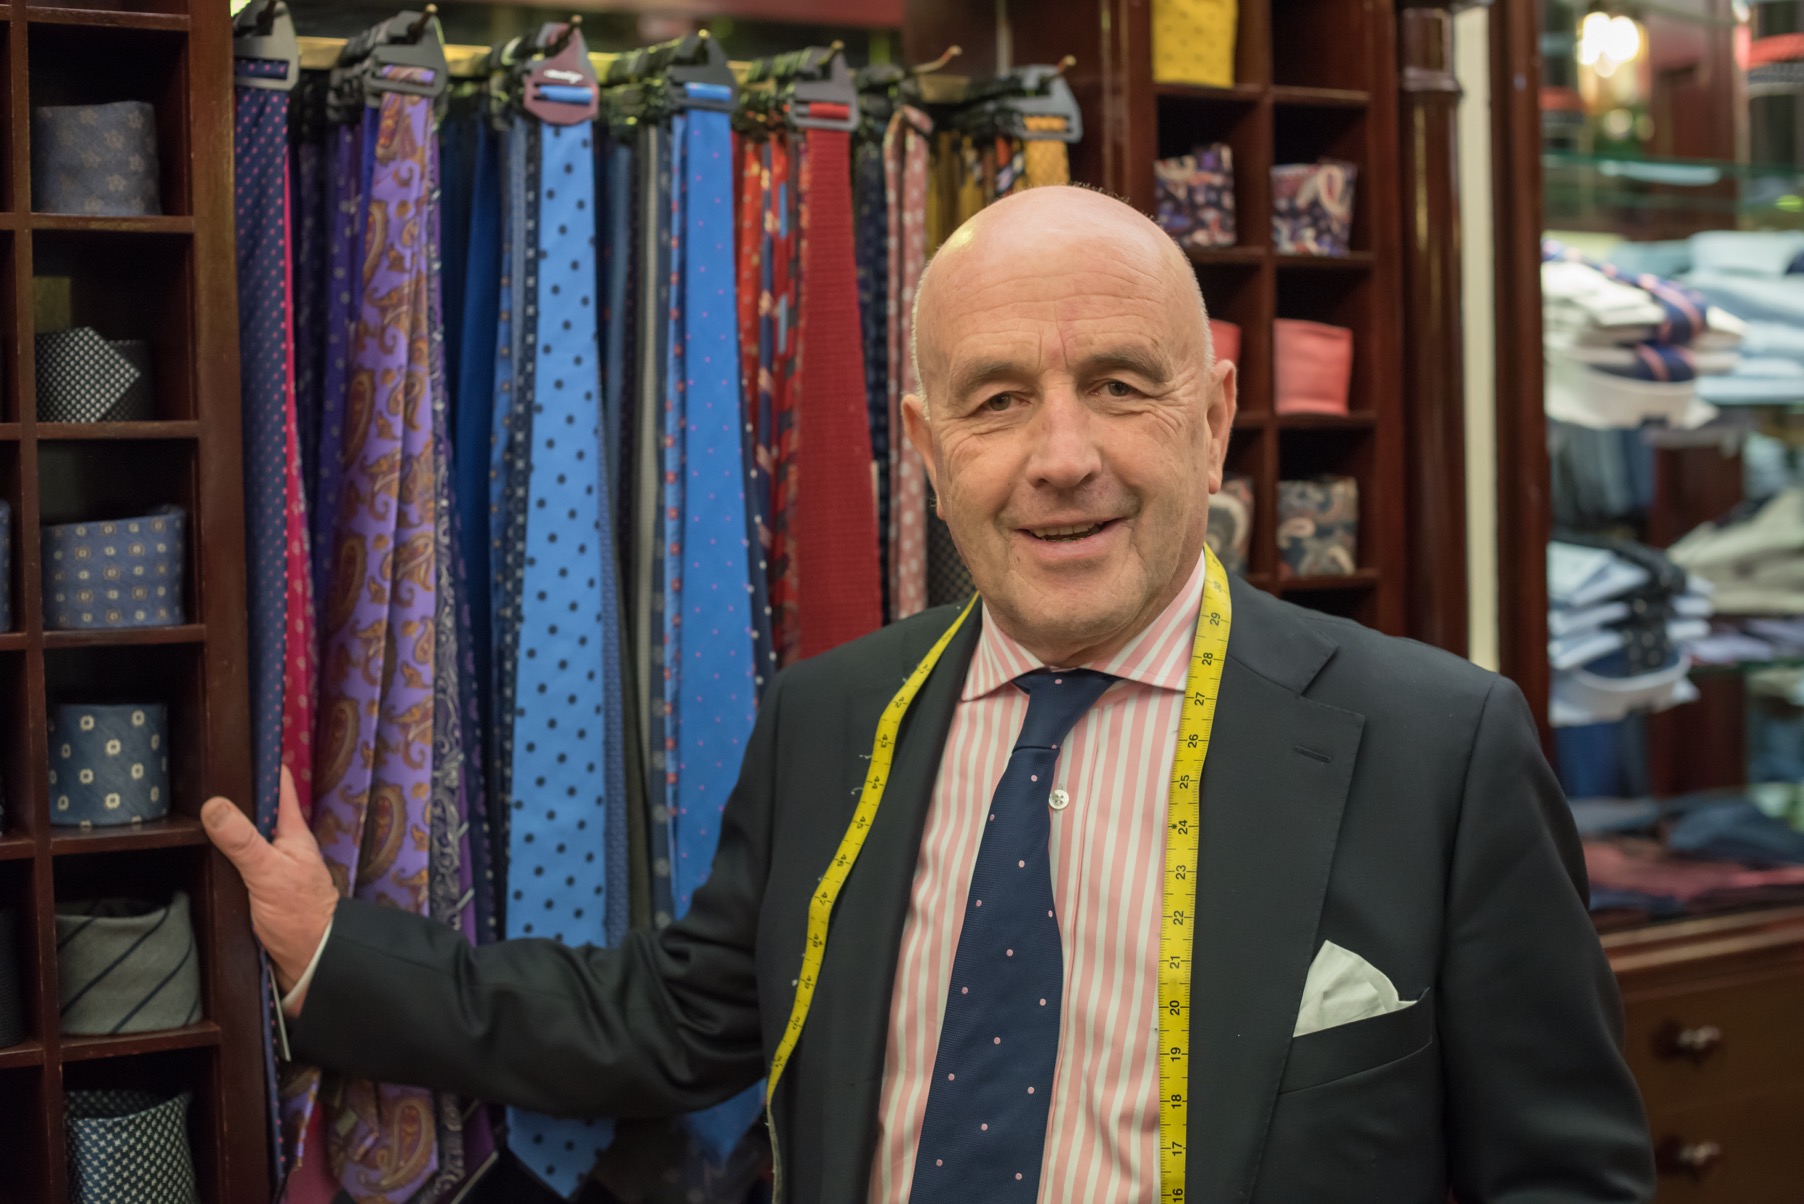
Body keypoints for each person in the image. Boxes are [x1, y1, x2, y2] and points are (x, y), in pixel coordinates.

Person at [204, 185, 1656, 1203]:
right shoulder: (833, 717)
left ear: (1214, 419)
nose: (1062, 457)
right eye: (999, 399)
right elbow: (673, 1018)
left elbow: (1567, 1180)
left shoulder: (1437, 748)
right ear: (926, 446)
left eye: (1121, 386)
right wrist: (334, 954)